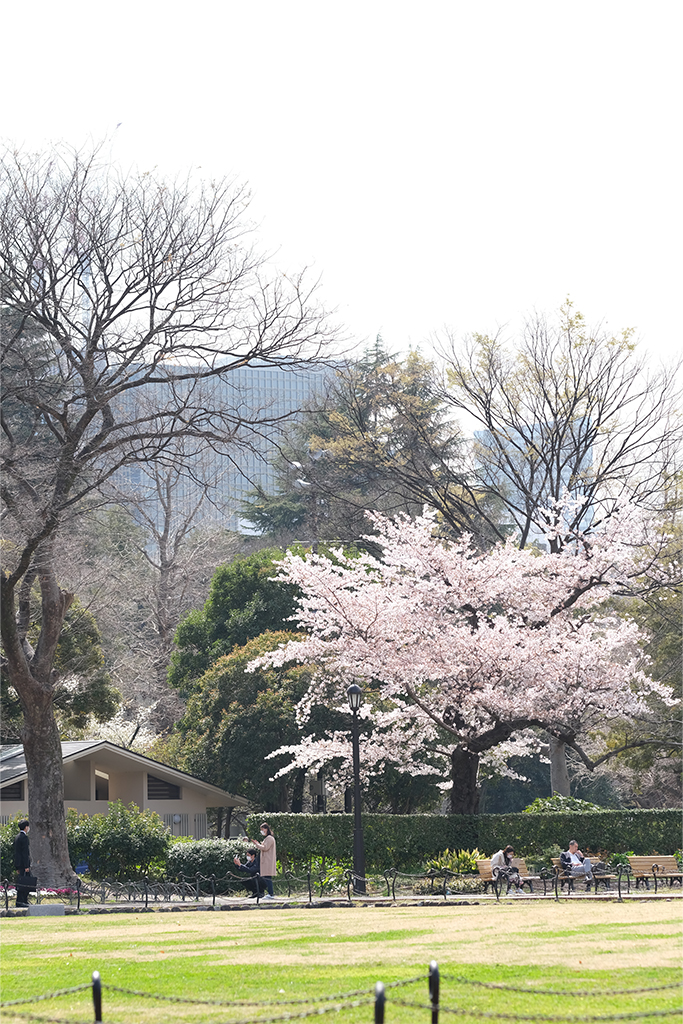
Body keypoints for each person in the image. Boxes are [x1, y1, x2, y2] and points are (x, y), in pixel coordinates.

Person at [250, 822, 276, 899]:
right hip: (266, 861)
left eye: (262, 829)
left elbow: (265, 847)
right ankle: (270, 893)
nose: (262, 831)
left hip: (268, 861)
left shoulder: (270, 838)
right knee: (267, 877)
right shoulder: (267, 838)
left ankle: (271, 894)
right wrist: (258, 844)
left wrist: (257, 845)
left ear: (266, 829)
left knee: (268, 878)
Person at [13, 820, 32, 908]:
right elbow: (25, 853)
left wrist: (17, 865)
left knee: (20, 883)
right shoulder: (24, 838)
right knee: (26, 883)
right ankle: (23, 900)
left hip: (19, 864)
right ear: (26, 827)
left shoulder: (17, 837)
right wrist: (26, 866)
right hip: (24, 864)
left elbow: (17, 853)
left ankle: (19, 901)